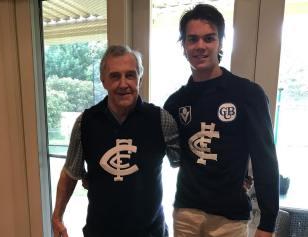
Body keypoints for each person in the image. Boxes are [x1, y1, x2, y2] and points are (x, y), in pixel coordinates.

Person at [164, 4, 279, 237]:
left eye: (209, 38)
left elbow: (265, 159)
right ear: (184, 46)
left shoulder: (248, 94)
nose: (200, 46)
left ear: (220, 42)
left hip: (230, 218)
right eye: (192, 39)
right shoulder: (175, 103)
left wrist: (268, 222)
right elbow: (167, 155)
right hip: (186, 213)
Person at [52, 45, 180, 237]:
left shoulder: (161, 120)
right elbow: (71, 173)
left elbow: (187, 164)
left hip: (150, 233)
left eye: (130, 75)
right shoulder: (84, 123)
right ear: (103, 80)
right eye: (114, 76)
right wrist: (57, 216)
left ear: (139, 78)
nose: (123, 83)